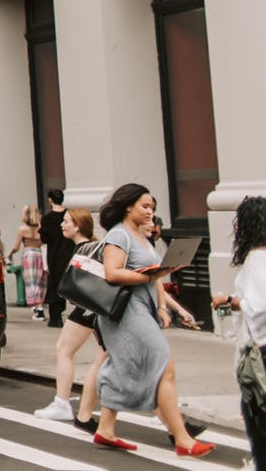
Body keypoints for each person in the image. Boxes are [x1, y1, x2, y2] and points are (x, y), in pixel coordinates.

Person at [88, 183, 215, 457]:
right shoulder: (119, 236)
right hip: (126, 312)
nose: (150, 212)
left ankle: (106, 430)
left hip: (142, 309)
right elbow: (112, 273)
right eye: (145, 206)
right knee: (164, 369)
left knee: (123, 367)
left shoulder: (140, 237)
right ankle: (182, 439)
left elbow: (154, 275)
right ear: (128, 206)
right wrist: (150, 276)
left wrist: (163, 305)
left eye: (153, 207)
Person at [33, 208, 105, 422]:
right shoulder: (88, 247)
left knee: (64, 349)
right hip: (94, 308)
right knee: (110, 356)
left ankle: (62, 403)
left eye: (66, 222)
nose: (62, 225)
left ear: (78, 226)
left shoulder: (84, 250)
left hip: (87, 307)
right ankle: (161, 404)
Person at [211, 196, 266, 465]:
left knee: (259, 428)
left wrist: (232, 301)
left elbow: (260, 307)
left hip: (260, 356)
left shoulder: (256, 261)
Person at [40, 189, 74, 328]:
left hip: (54, 253)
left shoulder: (47, 218)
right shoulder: (69, 215)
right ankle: (64, 312)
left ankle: (56, 316)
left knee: (54, 283)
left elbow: (44, 239)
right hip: (69, 251)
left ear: (50, 200)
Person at [9, 206, 47, 317]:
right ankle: (39, 305)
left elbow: (16, 247)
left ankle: (37, 307)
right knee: (41, 281)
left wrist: (9, 254)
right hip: (40, 253)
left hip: (28, 254)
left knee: (31, 281)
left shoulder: (23, 229)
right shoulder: (41, 228)